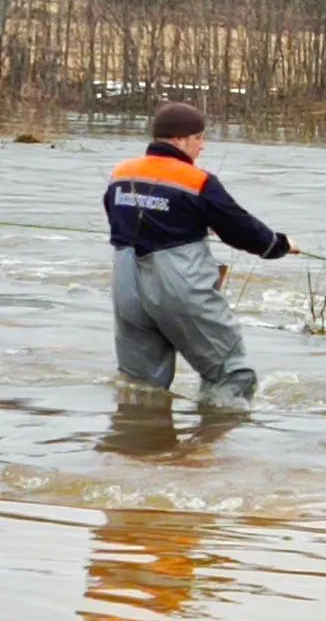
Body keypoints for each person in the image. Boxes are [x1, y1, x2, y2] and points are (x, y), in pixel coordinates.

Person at [105, 102, 300, 406]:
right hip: (178, 284)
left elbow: (118, 217)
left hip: (126, 284)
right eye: (198, 138)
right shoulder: (197, 180)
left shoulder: (120, 173)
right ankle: (212, 449)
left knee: (139, 383)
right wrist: (278, 245)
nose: (202, 146)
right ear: (180, 140)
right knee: (231, 374)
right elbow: (238, 227)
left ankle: (137, 446)